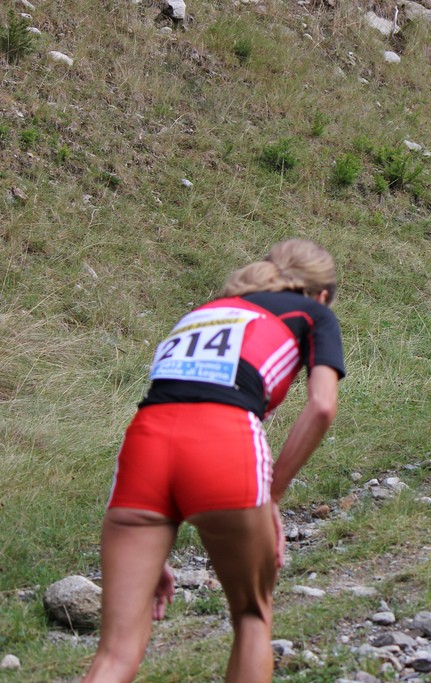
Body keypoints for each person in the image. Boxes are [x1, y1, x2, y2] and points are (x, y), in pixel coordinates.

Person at [84, 239, 345, 683]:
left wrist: (153, 550)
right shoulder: (313, 314)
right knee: (251, 616)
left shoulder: (207, 310)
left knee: (115, 655)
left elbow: (175, 396)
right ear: (321, 294)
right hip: (224, 442)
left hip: (145, 446)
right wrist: (274, 495)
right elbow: (322, 406)